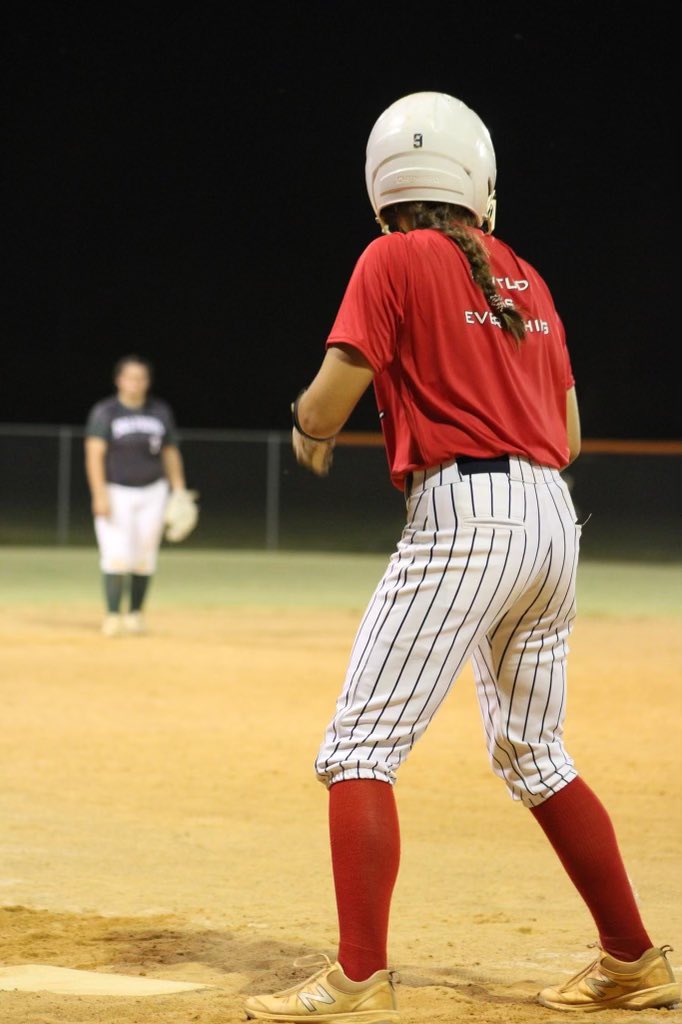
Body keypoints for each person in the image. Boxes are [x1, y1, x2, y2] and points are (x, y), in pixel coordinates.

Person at [244, 92, 679, 1020]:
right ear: (478, 185)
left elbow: (325, 408)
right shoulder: (526, 274)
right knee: (534, 750)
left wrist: (305, 425)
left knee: (360, 745)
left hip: (466, 512)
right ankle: (632, 959)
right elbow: (563, 434)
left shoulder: (391, 256)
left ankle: (359, 974)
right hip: (552, 520)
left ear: (384, 187)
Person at [84, 354, 198, 637]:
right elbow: (94, 454)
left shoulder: (159, 412)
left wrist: (179, 489)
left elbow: (170, 453)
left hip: (153, 492)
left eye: (141, 377)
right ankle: (112, 616)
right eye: (130, 377)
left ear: (147, 381)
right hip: (116, 490)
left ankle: (135, 615)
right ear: (119, 380)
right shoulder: (106, 412)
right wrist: (99, 494)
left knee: (144, 556)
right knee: (115, 554)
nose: (136, 382)